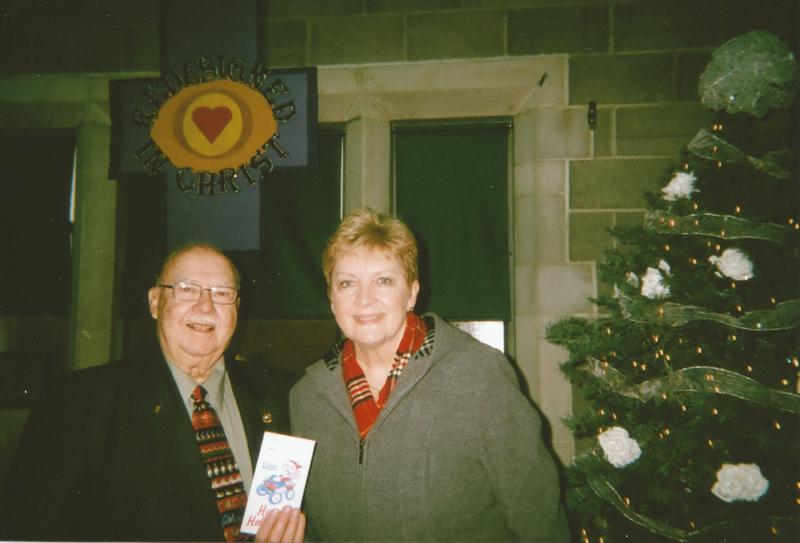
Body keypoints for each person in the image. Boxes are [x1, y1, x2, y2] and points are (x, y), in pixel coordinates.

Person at [290, 208, 569, 542]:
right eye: (347, 283)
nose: (364, 299)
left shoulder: (479, 376)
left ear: (411, 293)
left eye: (383, 281)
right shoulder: (306, 398)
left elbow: (539, 520)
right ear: (332, 299)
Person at [3, 242, 304, 542]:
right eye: (187, 289)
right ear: (155, 302)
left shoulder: (283, 395)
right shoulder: (78, 403)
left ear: (237, 308)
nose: (206, 306)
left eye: (222, 293)